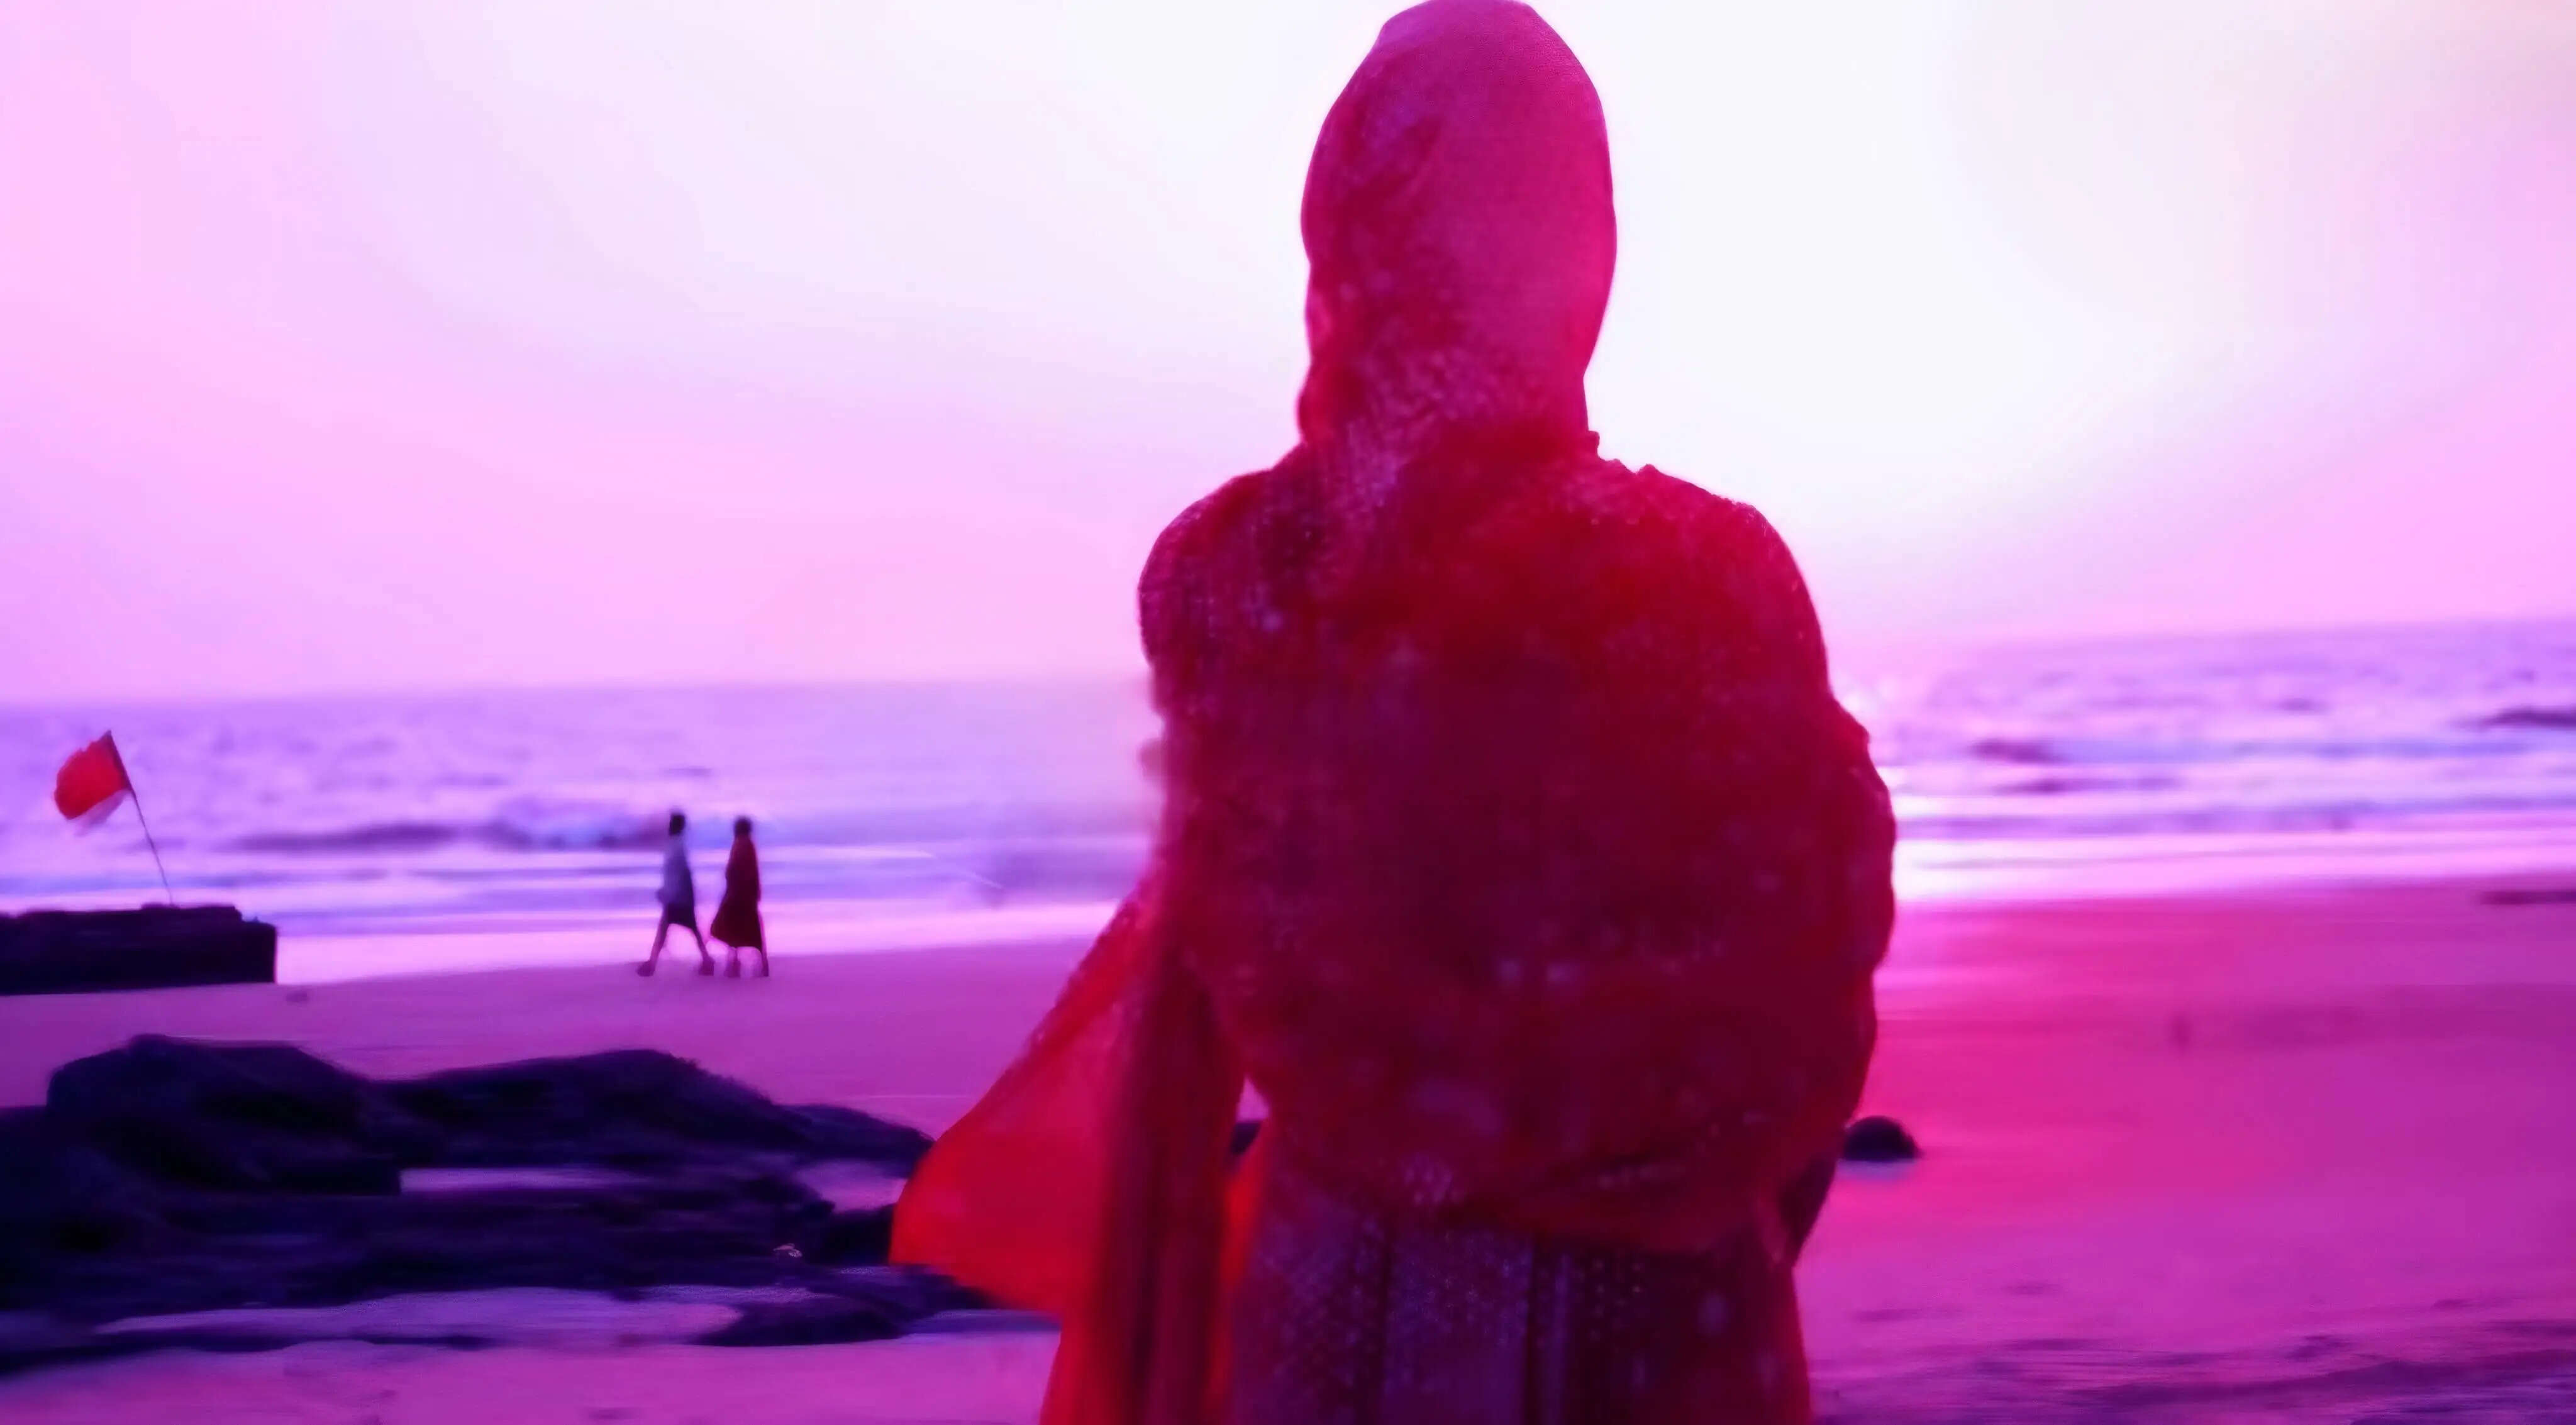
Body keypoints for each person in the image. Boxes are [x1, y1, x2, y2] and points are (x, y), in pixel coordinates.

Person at [894, 3, 1896, 1422]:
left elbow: (1218, 998)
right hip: (1655, 1333)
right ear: (1581, 242)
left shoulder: (1223, 581)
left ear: (1346, 220)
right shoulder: (1702, 581)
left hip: (1321, 1320)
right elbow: (1801, 1024)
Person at [638, 811, 712, 976]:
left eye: (672, 823)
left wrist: (670, 892)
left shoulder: (676, 846)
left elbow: (680, 873)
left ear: (675, 825)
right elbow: (679, 873)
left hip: (677, 897)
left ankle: (652, 964)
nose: (669, 825)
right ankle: (707, 961)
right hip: (679, 896)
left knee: (666, 929)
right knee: (689, 929)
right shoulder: (676, 845)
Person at [709, 816, 769, 979]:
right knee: (753, 933)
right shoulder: (749, 845)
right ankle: (761, 965)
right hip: (748, 895)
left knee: (731, 929)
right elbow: (753, 872)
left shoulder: (739, 845)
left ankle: (734, 964)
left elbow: (732, 871)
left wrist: (730, 890)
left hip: (737, 894)